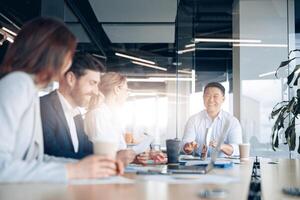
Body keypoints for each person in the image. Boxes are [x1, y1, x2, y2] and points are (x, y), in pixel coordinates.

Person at [0, 17, 123, 182]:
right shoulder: (18, 85)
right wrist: (74, 170)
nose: (69, 62)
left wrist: (89, 166)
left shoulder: (28, 89)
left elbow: (36, 160)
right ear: (52, 53)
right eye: (68, 54)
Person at [85, 72, 165, 165]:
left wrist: (135, 158)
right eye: (126, 90)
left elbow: (118, 152)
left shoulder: (112, 116)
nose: (127, 95)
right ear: (117, 89)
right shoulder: (98, 115)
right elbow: (102, 155)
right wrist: (134, 151)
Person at [40, 53, 103, 159]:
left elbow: (87, 148)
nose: (96, 92)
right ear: (71, 79)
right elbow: (51, 154)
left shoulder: (76, 115)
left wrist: (116, 156)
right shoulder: (44, 107)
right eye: (92, 83)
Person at [182, 82, 242, 157]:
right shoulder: (193, 120)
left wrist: (221, 146)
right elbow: (184, 144)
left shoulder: (232, 121)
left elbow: (238, 149)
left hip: (225, 166)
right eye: (208, 95)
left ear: (223, 99)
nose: (211, 100)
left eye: (215, 96)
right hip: (197, 165)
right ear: (203, 98)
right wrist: (188, 146)